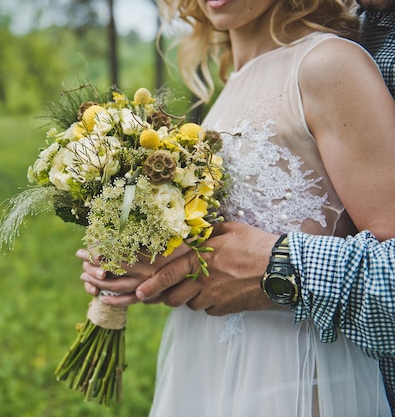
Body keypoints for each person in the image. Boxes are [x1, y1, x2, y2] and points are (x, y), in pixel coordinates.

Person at [76, 0, 395, 415]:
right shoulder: (232, 83)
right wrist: (156, 267)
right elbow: (223, 246)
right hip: (208, 366)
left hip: (296, 378)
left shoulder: (327, 64)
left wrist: (280, 268)